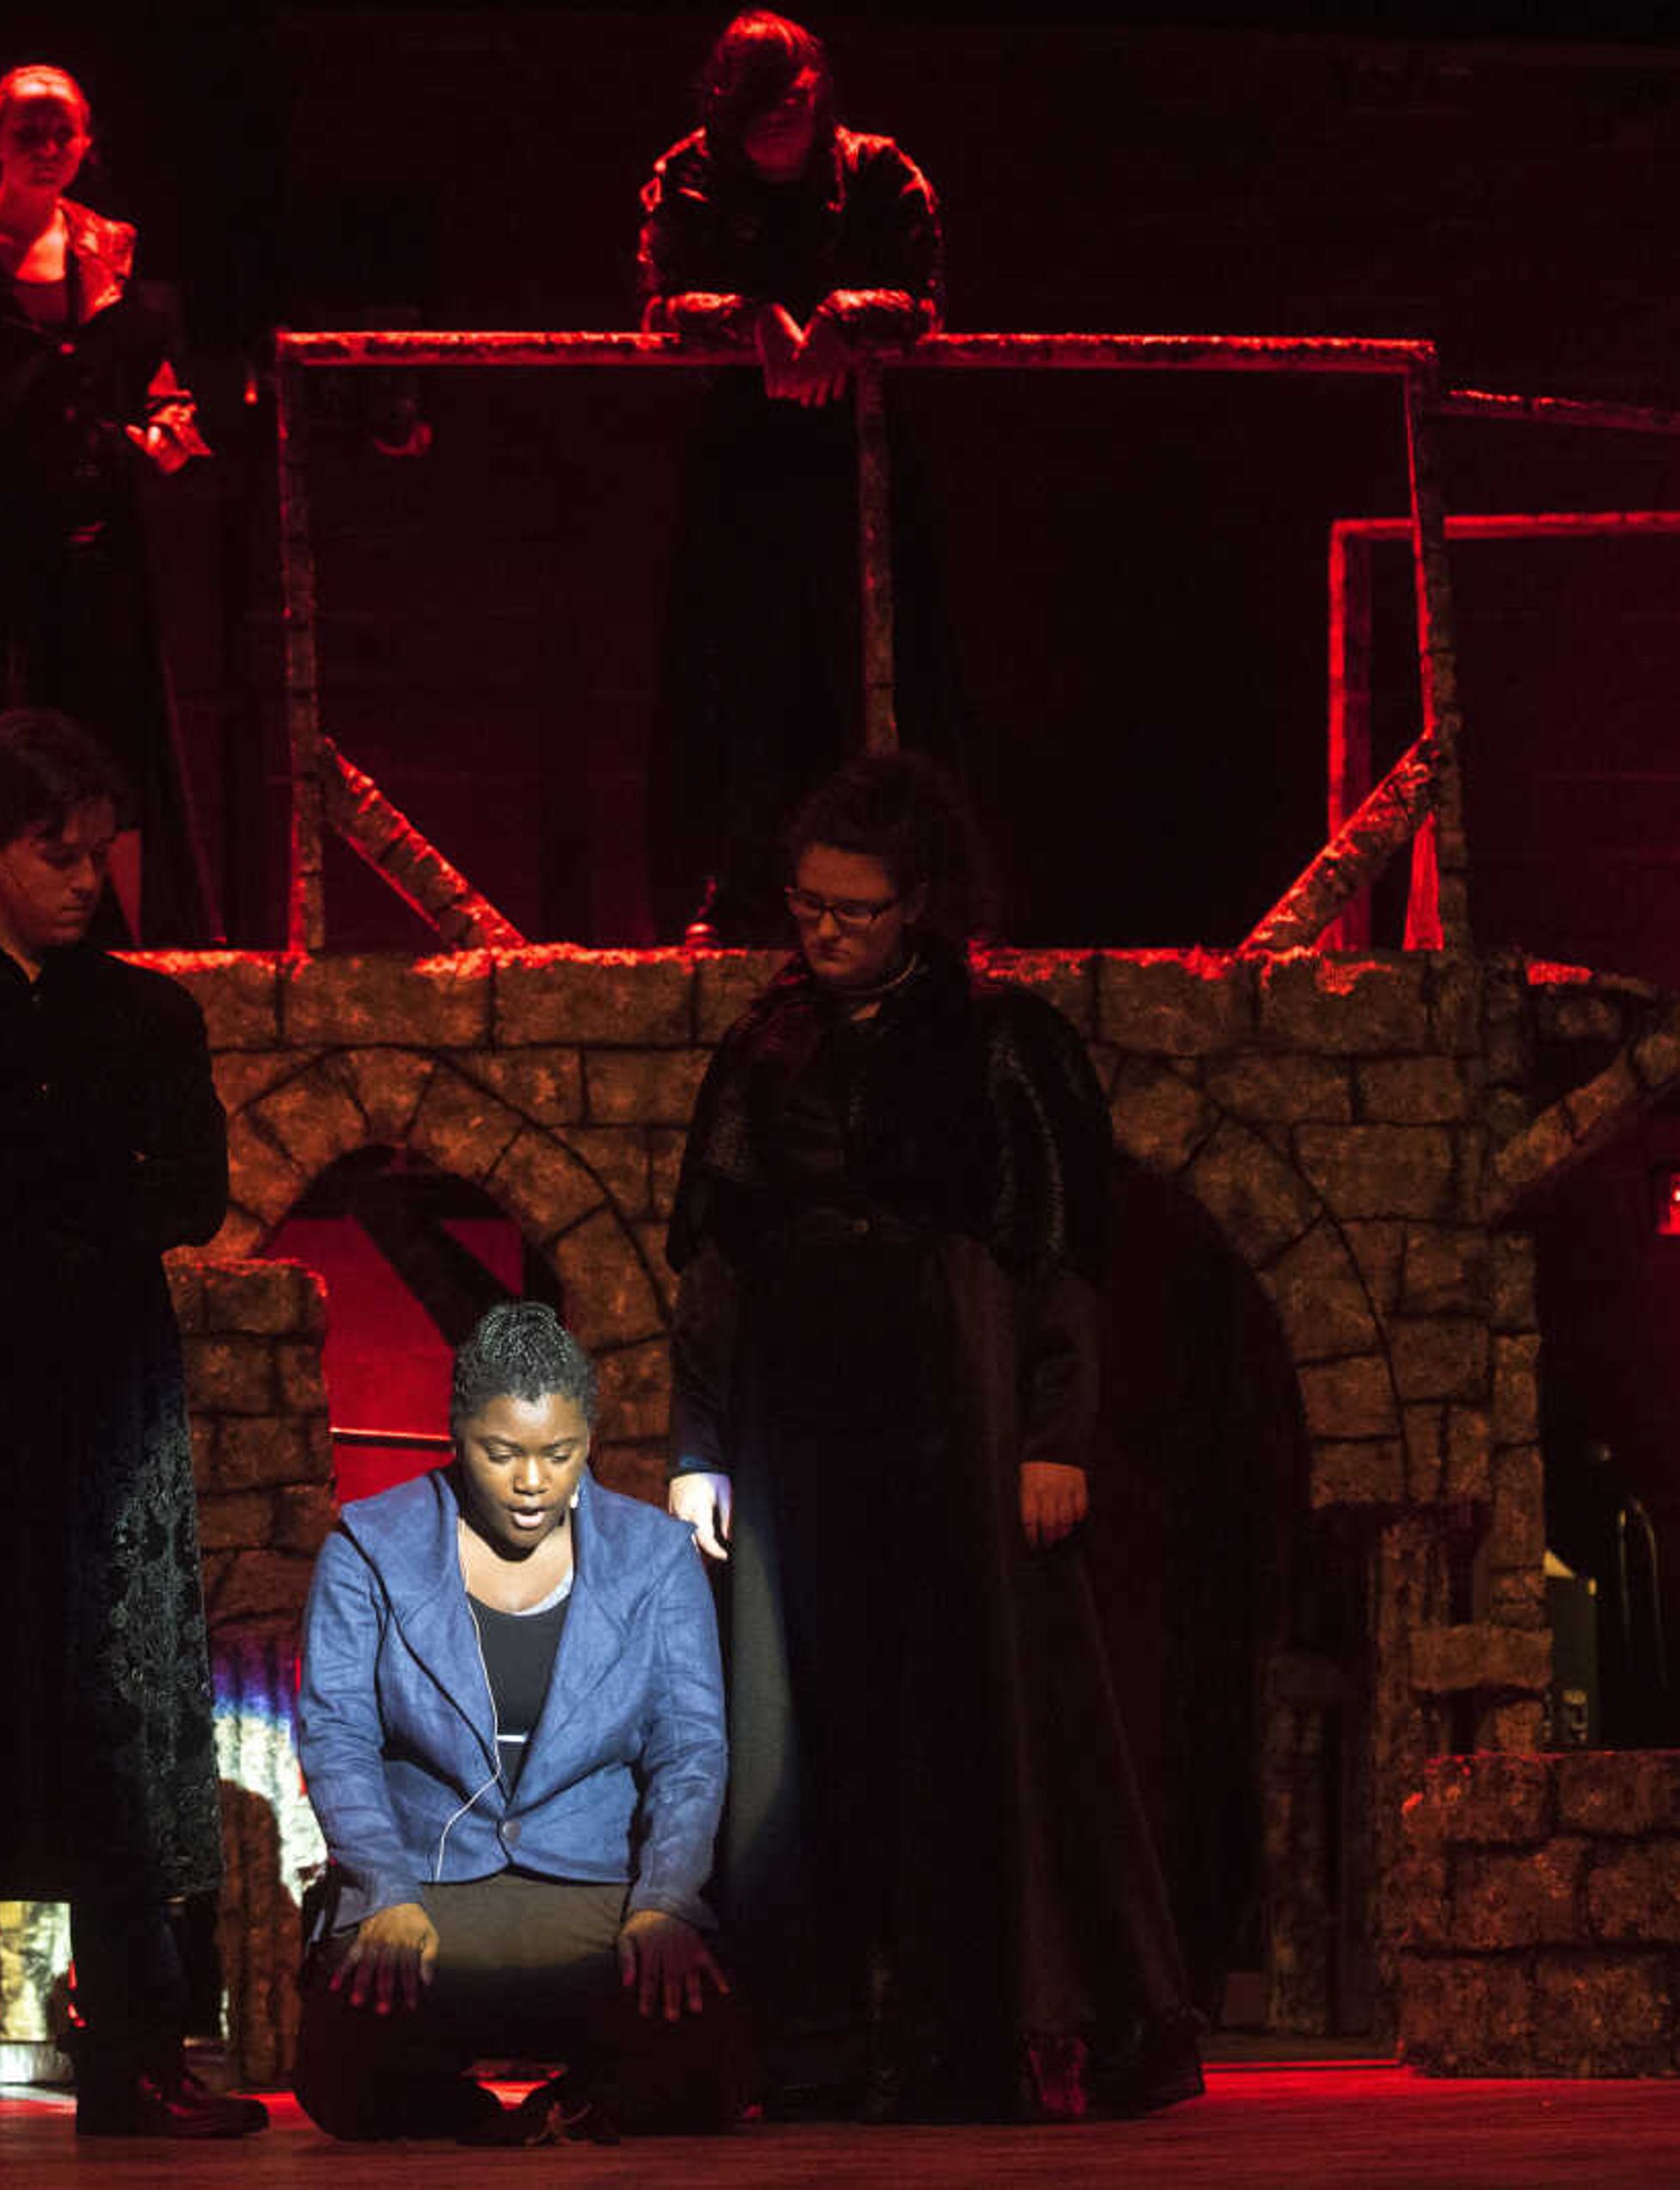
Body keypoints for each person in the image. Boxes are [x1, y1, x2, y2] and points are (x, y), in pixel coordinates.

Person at [665, 754, 1204, 2120]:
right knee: (805, 1715)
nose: (828, 931)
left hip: (954, 1406)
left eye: (857, 908)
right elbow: (718, 1264)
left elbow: (1058, 1253)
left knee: (974, 1718)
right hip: (802, 1418)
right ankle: (818, 2038)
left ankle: (986, 2032)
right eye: (808, 905)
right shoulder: (766, 1042)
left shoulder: (1003, 1041)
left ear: (916, 905)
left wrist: (1056, 1432)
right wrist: (696, 1447)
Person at [0, 709, 261, 2143]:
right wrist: (73, 1185)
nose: (87, 880)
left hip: (101, 1402)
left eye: (98, 853)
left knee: (122, 1712)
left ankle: (135, 2045)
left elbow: (186, 1193)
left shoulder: (146, 1012)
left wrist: (11, 1194)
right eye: (55, 852)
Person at [294, 1302, 744, 2144]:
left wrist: (667, 1899)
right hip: (426, 1892)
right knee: (339, 2063)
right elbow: (337, 1732)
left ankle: (578, 2104)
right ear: (457, 1435)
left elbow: (690, 1747)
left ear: (590, 1442)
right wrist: (381, 1888)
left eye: (559, 1453)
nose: (532, 1482)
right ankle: (469, 2118)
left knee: (711, 2052)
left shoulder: (654, 1556)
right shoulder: (369, 1546)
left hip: (599, 1891)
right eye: (502, 1453)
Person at [0, 64, 217, 947]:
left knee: (105, 731)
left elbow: (157, 387)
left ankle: (116, 946)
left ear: (87, 141)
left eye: (62, 131)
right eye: (28, 129)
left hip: (86, 538)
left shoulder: (112, 254)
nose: (47, 147)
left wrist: (157, 438)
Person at [636, 12, 943, 946]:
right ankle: (741, 894)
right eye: (754, 108)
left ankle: (898, 896)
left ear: (819, 96)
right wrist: (752, 320)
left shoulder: (881, 171)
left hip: (861, 457)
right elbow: (658, 301)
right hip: (740, 458)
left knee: (874, 673)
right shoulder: (689, 171)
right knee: (737, 673)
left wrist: (843, 321)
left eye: (792, 104)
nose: (775, 126)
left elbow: (923, 297)